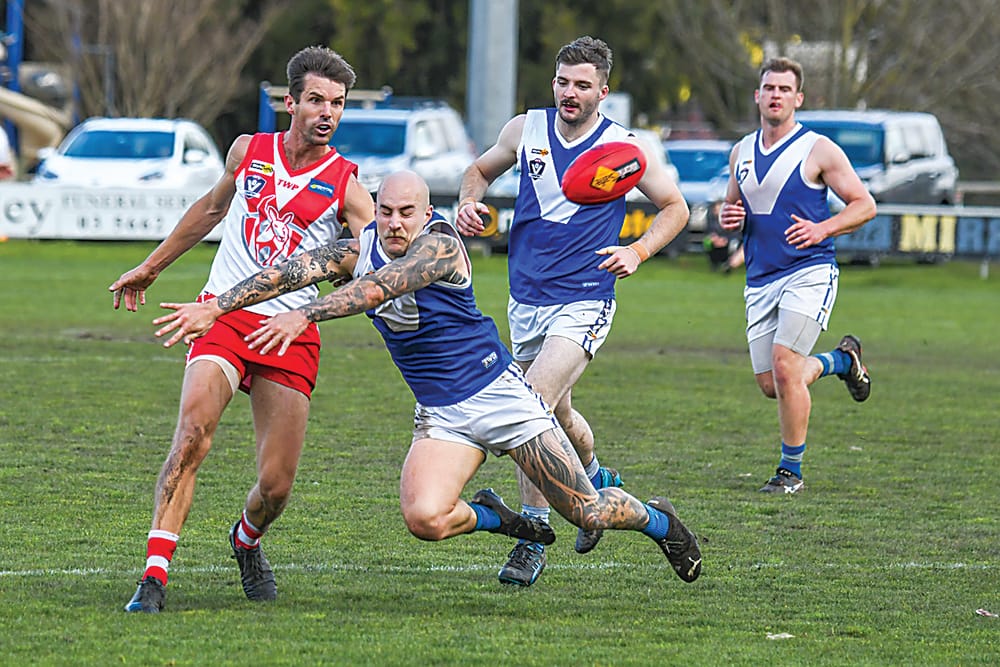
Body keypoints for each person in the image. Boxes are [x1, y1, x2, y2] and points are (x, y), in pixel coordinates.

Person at [153, 170, 703, 588]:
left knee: (587, 511)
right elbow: (286, 272)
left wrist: (308, 313)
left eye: (406, 213)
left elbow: (381, 289)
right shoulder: (357, 248)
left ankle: (661, 522)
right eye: (386, 212)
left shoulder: (440, 246)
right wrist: (217, 306)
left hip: (502, 399)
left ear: (427, 212)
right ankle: (500, 518)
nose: (394, 223)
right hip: (442, 414)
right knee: (425, 519)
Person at [109, 45, 375, 613]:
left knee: (276, 486)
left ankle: (246, 539)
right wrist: (150, 267)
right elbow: (210, 210)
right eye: (316, 100)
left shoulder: (348, 184)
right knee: (191, 433)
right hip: (222, 317)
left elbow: (371, 258)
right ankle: (153, 577)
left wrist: (342, 268)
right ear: (290, 102)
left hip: (289, 330)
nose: (327, 112)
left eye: (338, 104)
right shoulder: (247, 152)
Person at [454, 36, 690, 586]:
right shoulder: (525, 129)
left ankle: (533, 534)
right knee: (558, 416)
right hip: (525, 297)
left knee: (527, 406)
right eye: (563, 81)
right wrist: (469, 203)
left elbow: (676, 207)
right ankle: (597, 475)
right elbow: (479, 171)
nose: (569, 92)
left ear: (603, 92)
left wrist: (637, 250)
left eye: (582, 85)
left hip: (585, 297)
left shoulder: (626, 149)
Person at [718, 57, 877, 494]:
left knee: (786, 368)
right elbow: (730, 207)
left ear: (798, 99)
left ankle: (791, 473)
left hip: (809, 271)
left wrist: (822, 228)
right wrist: (726, 217)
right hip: (759, 278)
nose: (775, 95)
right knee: (772, 384)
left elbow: (865, 204)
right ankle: (842, 361)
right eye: (769, 87)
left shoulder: (819, 148)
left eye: (784, 90)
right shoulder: (740, 151)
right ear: (757, 95)